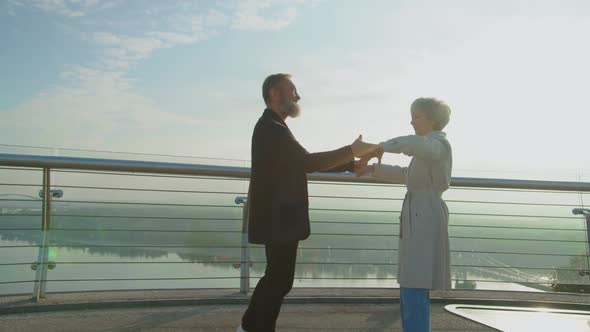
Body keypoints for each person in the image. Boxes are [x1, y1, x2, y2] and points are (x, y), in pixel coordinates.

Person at [238, 73, 377, 332]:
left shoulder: (274, 126)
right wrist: (351, 150)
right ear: (274, 93)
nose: (297, 96)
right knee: (278, 279)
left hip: (279, 217)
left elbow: (303, 159)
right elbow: (308, 162)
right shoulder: (271, 128)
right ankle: (250, 327)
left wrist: (350, 165)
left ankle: (257, 327)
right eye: (292, 90)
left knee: (278, 278)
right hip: (278, 217)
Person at [356, 98, 452, 332]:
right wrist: (373, 169)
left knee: (414, 284)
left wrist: (379, 147)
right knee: (411, 284)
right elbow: (407, 174)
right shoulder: (427, 147)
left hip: (425, 216)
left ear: (433, 120)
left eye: (417, 116)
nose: (411, 121)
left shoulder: (438, 145)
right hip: (418, 215)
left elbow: (414, 145)